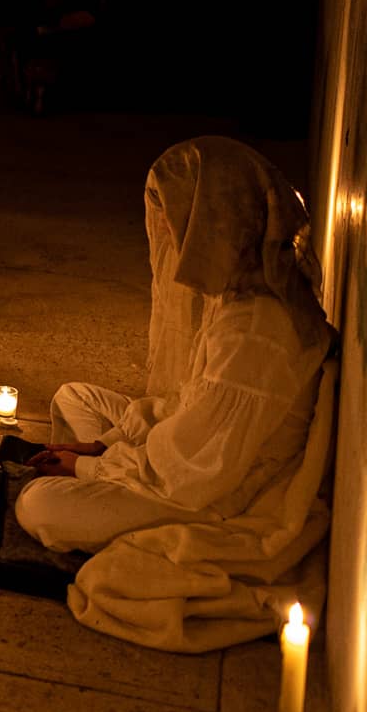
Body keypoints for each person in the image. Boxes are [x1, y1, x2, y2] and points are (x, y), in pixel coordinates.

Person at [17, 138, 331, 577]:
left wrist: (92, 468)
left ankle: (105, 509)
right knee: (75, 397)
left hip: (215, 500)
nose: (164, 225)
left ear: (216, 220)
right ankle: (94, 474)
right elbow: (187, 404)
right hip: (189, 453)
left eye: (174, 211)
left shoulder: (257, 330)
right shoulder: (243, 294)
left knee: (39, 504)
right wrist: (101, 444)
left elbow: (191, 472)